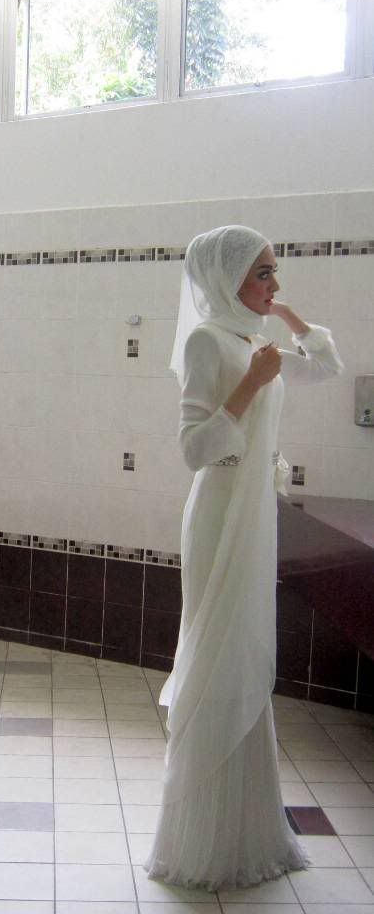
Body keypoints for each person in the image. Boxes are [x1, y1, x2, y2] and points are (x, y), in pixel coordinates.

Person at [145, 225, 344, 891]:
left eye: (274, 273)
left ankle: (249, 828)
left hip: (252, 513)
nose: (274, 284)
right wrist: (252, 383)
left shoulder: (251, 338)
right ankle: (204, 839)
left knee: (246, 653)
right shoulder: (208, 341)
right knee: (219, 656)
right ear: (226, 277)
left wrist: (287, 319)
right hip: (219, 514)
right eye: (264, 274)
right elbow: (194, 447)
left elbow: (322, 366)